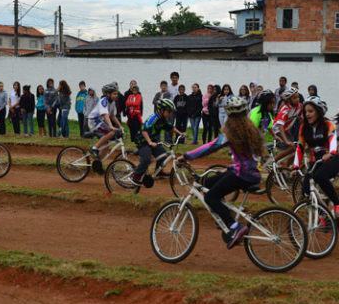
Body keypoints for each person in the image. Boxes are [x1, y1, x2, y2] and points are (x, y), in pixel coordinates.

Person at [182, 97, 265, 249]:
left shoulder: (232, 131)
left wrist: (187, 156)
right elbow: (249, 158)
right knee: (206, 183)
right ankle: (223, 215)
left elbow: (211, 146)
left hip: (242, 175)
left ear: (228, 114)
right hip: (250, 174)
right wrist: (231, 167)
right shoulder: (251, 129)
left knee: (211, 197)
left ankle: (234, 226)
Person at [293, 96, 339, 218]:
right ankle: (323, 215)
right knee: (306, 189)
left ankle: (338, 205)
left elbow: (332, 138)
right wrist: (295, 166)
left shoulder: (328, 124)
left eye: (311, 111)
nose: (307, 114)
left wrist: (331, 152)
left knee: (320, 176)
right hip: (316, 161)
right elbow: (300, 147)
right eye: (306, 111)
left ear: (318, 111)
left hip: (333, 159)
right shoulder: (303, 128)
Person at [130, 99, 184, 185]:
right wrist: (150, 142)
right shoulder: (153, 118)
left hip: (152, 140)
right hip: (143, 140)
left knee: (163, 154)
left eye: (171, 112)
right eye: (169, 111)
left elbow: (171, 127)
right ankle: (135, 176)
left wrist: (181, 133)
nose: (170, 114)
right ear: (162, 110)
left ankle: (159, 172)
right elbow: (144, 131)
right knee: (147, 159)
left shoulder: (163, 119)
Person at [88, 83, 122, 167]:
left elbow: (112, 116)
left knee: (106, 146)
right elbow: (105, 115)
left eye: (117, 93)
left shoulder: (113, 102)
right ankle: (94, 148)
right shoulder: (103, 101)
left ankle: (97, 163)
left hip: (100, 122)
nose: (116, 95)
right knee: (111, 132)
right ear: (108, 94)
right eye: (114, 94)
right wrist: (110, 126)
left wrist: (120, 126)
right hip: (94, 121)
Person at [272, 86, 303, 163]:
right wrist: (286, 141)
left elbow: (301, 119)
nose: (297, 99)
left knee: (296, 149)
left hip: (286, 130)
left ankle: (286, 166)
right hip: (278, 130)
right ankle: (272, 162)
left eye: (298, 97)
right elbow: (280, 126)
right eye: (294, 98)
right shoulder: (285, 109)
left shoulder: (299, 106)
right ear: (289, 100)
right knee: (292, 147)